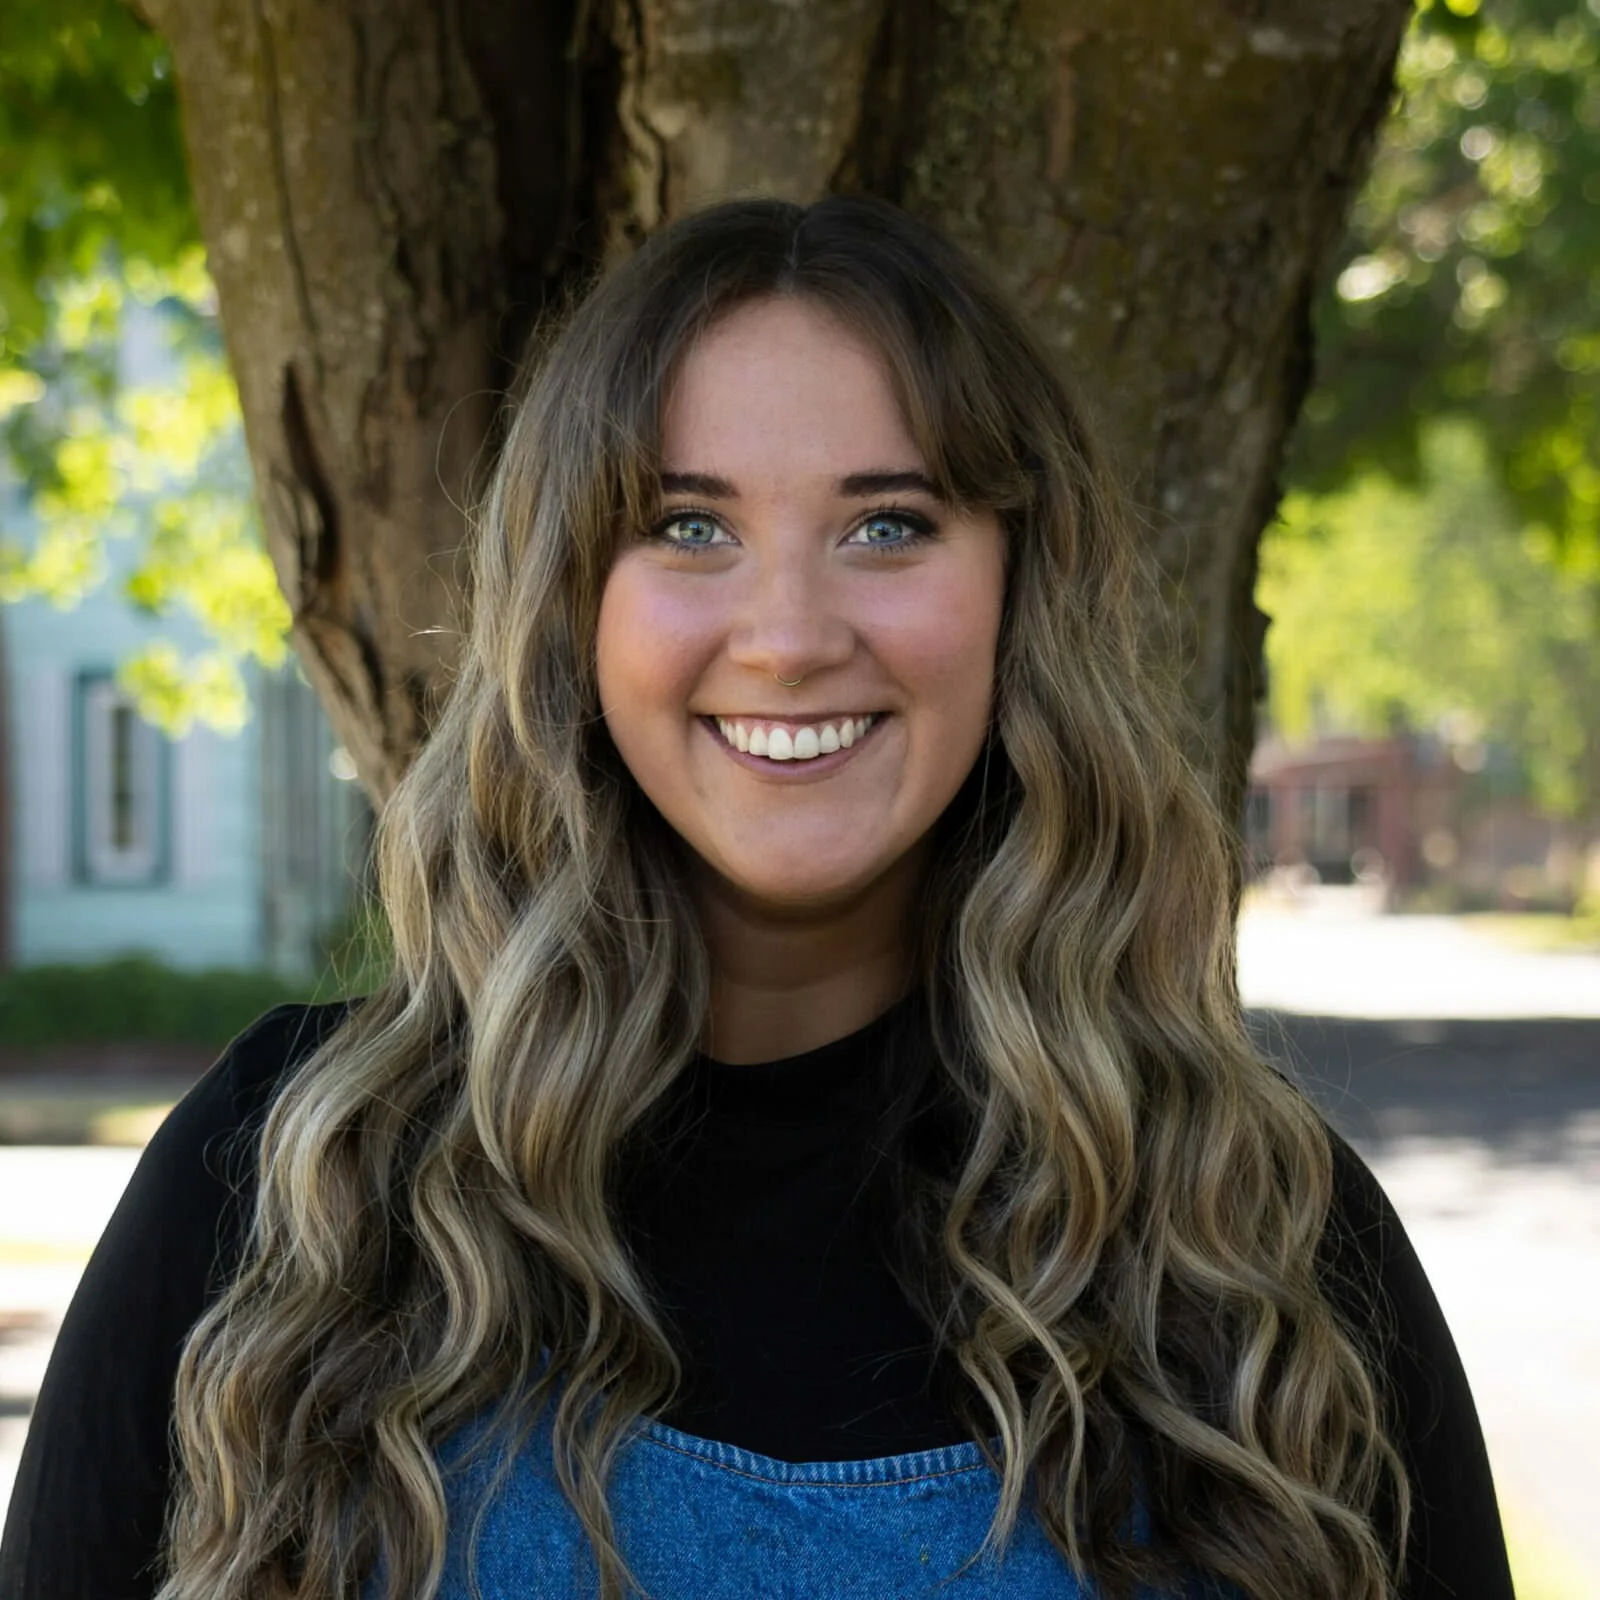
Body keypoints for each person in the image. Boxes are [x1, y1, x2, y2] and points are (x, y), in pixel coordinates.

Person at [0, 196, 1514, 1600]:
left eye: (889, 525)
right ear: (572, 603)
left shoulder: (1257, 1246)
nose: (787, 637)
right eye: (688, 525)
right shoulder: (292, 1193)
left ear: (1019, 592)